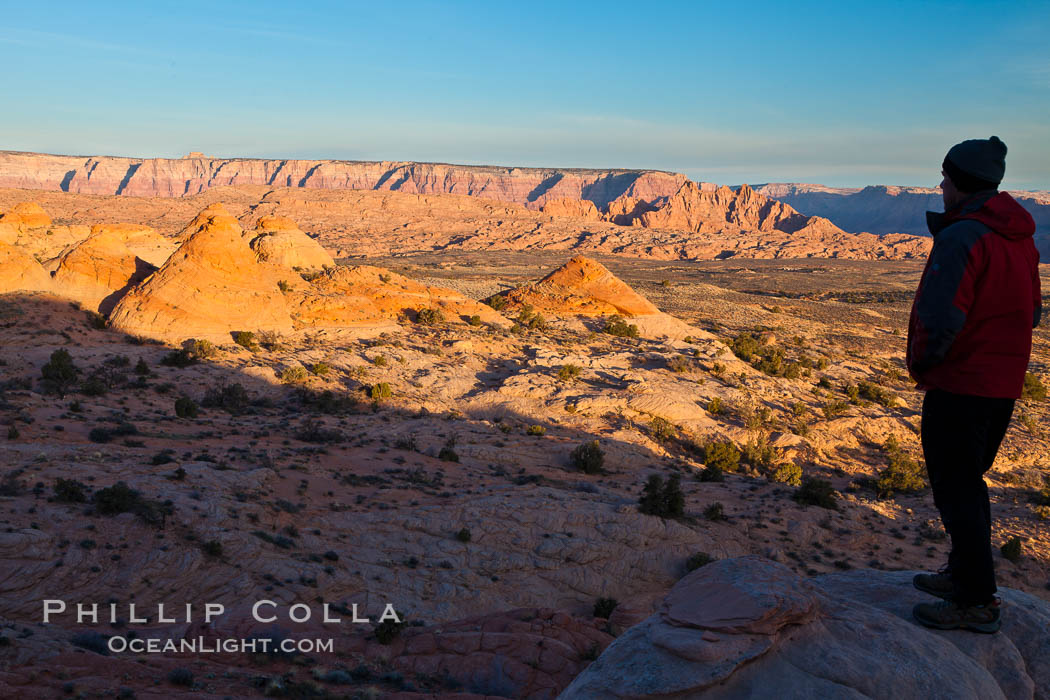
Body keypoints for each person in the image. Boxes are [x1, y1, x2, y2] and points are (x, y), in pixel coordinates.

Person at [906, 135, 1041, 633]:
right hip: (1003, 385)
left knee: (954, 488)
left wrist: (924, 367)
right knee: (968, 484)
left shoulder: (964, 236)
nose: (940, 186)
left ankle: (975, 601)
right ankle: (963, 574)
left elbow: (940, 317)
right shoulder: (1021, 238)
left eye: (945, 178)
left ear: (960, 183)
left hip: (961, 382)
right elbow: (1032, 314)